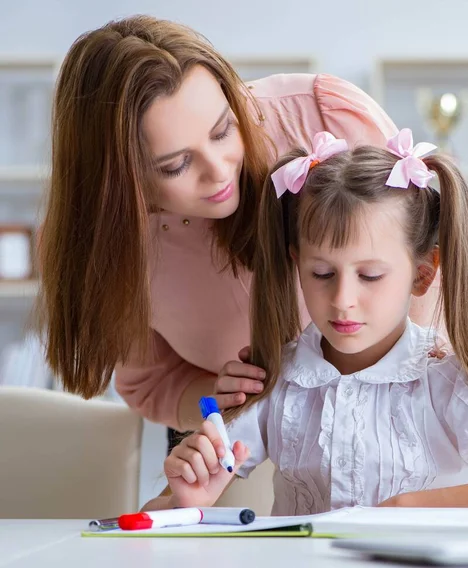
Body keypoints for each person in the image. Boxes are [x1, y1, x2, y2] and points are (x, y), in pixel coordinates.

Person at [37, 15, 441, 451]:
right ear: (117, 179)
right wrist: (218, 397)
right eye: (175, 165)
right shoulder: (103, 244)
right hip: (246, 442)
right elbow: (154, 382)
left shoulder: (319, 118)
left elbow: (425, 274)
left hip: (407, 420)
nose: (219, 170)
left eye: (223, 130)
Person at [148, 130, 468, 514]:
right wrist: (187, 501)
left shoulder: (448, 381)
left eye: (369, 276)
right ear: (296, 262)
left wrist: (408, 507)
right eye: (322, 274)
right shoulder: (275, 380)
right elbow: (157, 518)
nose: (343, 301)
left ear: (422, 274)